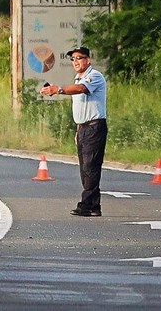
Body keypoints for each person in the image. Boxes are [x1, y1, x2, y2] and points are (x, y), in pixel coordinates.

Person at [39, 46, 108, 217]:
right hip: (84, 127)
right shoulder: (78, 79)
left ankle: (86, 204)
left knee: (91, 166)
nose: (76, 62)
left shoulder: (94, 76)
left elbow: (82, 89)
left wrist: (59, 90)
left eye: (79, 58)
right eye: (73, 59)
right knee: (85, 168)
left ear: (88, 60)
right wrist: (78, 130)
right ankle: (94, 205)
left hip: (94, 126)